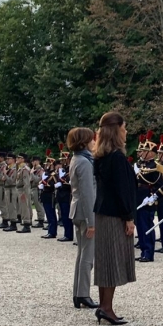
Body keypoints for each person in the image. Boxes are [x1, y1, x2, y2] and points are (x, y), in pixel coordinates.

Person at [91, 112, 136, 325]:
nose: (126, 131)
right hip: (114, 215)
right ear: (116, 130)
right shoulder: (116, 158)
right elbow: (122, 190)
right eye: (124, 127)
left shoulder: (101, 156)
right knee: (113, 260)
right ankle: (107, 308)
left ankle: (103, 306)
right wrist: (129, 217)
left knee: (106, 260)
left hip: (103, 213)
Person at [66, 127, 100, 309]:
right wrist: (92, 222)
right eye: (91, 140)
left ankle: (78, 293)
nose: (94, 142)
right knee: (87, 256)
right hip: (85, 212)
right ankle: (83, 294)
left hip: (77, 210)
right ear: (84, 142)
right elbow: (88, 194)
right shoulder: (85, 162)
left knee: (82, 255)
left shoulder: (78, 159)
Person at [133, 131, 160, 262]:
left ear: (151, 153)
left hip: (147, 198)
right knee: (140, 225)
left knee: (147, 225)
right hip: (138, 198)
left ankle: (149, 252)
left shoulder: (156, 166)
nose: (142, 153)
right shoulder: (141, 165)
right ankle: (144, 250)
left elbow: (157, 183)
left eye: (144, 150)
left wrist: (138, 173)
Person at [56, 153, 75, 243]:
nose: (62, 161)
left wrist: (64, 181)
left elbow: (71, 182)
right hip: (61, 193)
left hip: (67, 193)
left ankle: (69, 234)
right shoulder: (63, 170)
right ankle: (66, 234)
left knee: (67, 215)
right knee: (63, 215)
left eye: (64, 159)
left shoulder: (70, 169)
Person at [40, 157, 60, 239]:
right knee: (48, 214)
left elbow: (54, 185)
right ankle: (50, 231)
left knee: (51, 214)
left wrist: (46, 186)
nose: (47, 165)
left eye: (48, 164)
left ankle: (52, 232)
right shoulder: (47, 173)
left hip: (50, 195)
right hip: (45, 195)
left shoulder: (53, 174)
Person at [30, 156, 46, 230]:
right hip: (33, 188)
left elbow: (37, 180)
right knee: (36, 205)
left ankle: (41, 220)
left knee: (39, 205)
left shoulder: (40, 170)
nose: (32, 163)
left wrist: (32, 174)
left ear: (37, 161)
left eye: (34, 161)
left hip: (37, 188)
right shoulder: (34, 170)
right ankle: (40, 219)